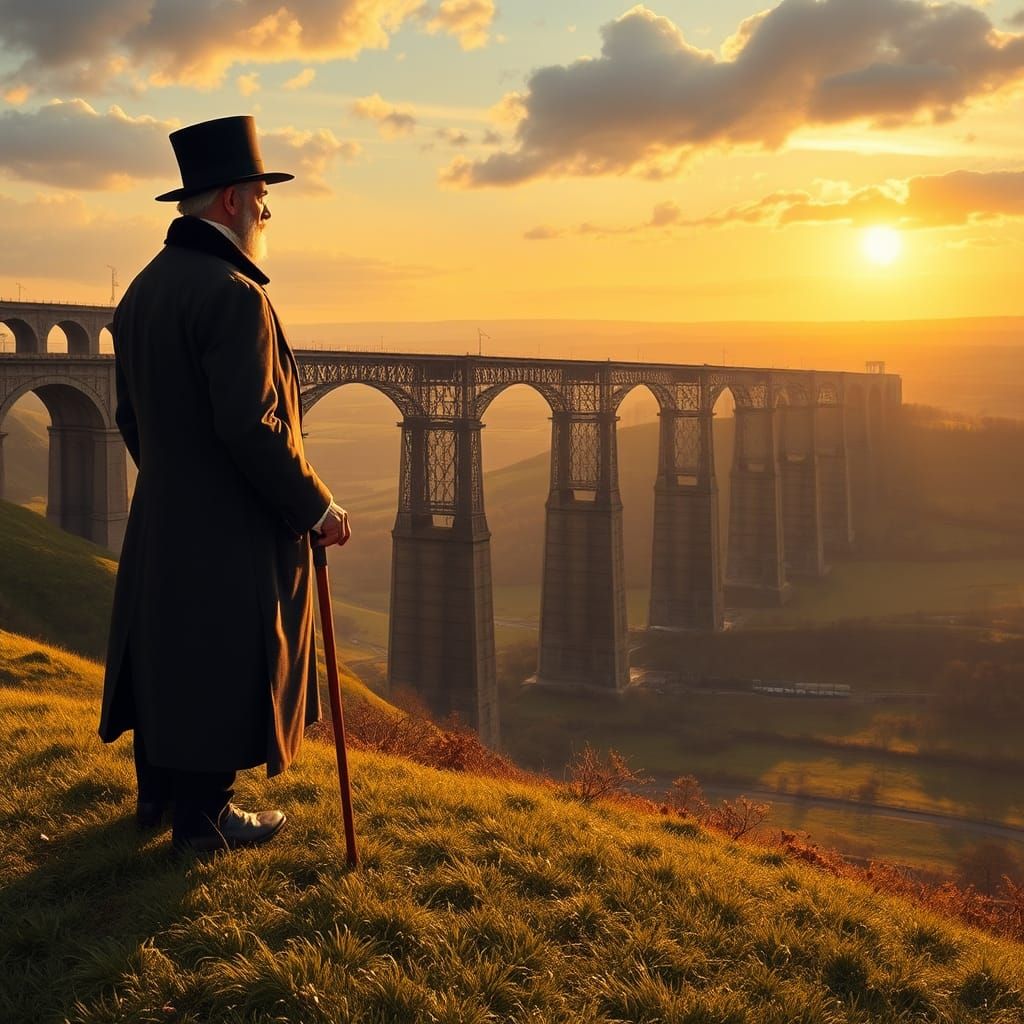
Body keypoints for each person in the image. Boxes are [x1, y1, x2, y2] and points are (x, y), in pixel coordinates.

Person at [98, 115, 351, 854]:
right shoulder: (235, 294)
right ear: (234, 202)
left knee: (168, 647)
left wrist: (177, 483)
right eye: (264, 200)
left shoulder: (144, 290)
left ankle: (160, 796)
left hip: (164, 513)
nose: (268, 215)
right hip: (225, 526)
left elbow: (128, 415)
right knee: (219, 652)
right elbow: (254, 426)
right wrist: (317, 507)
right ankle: (205, 820)